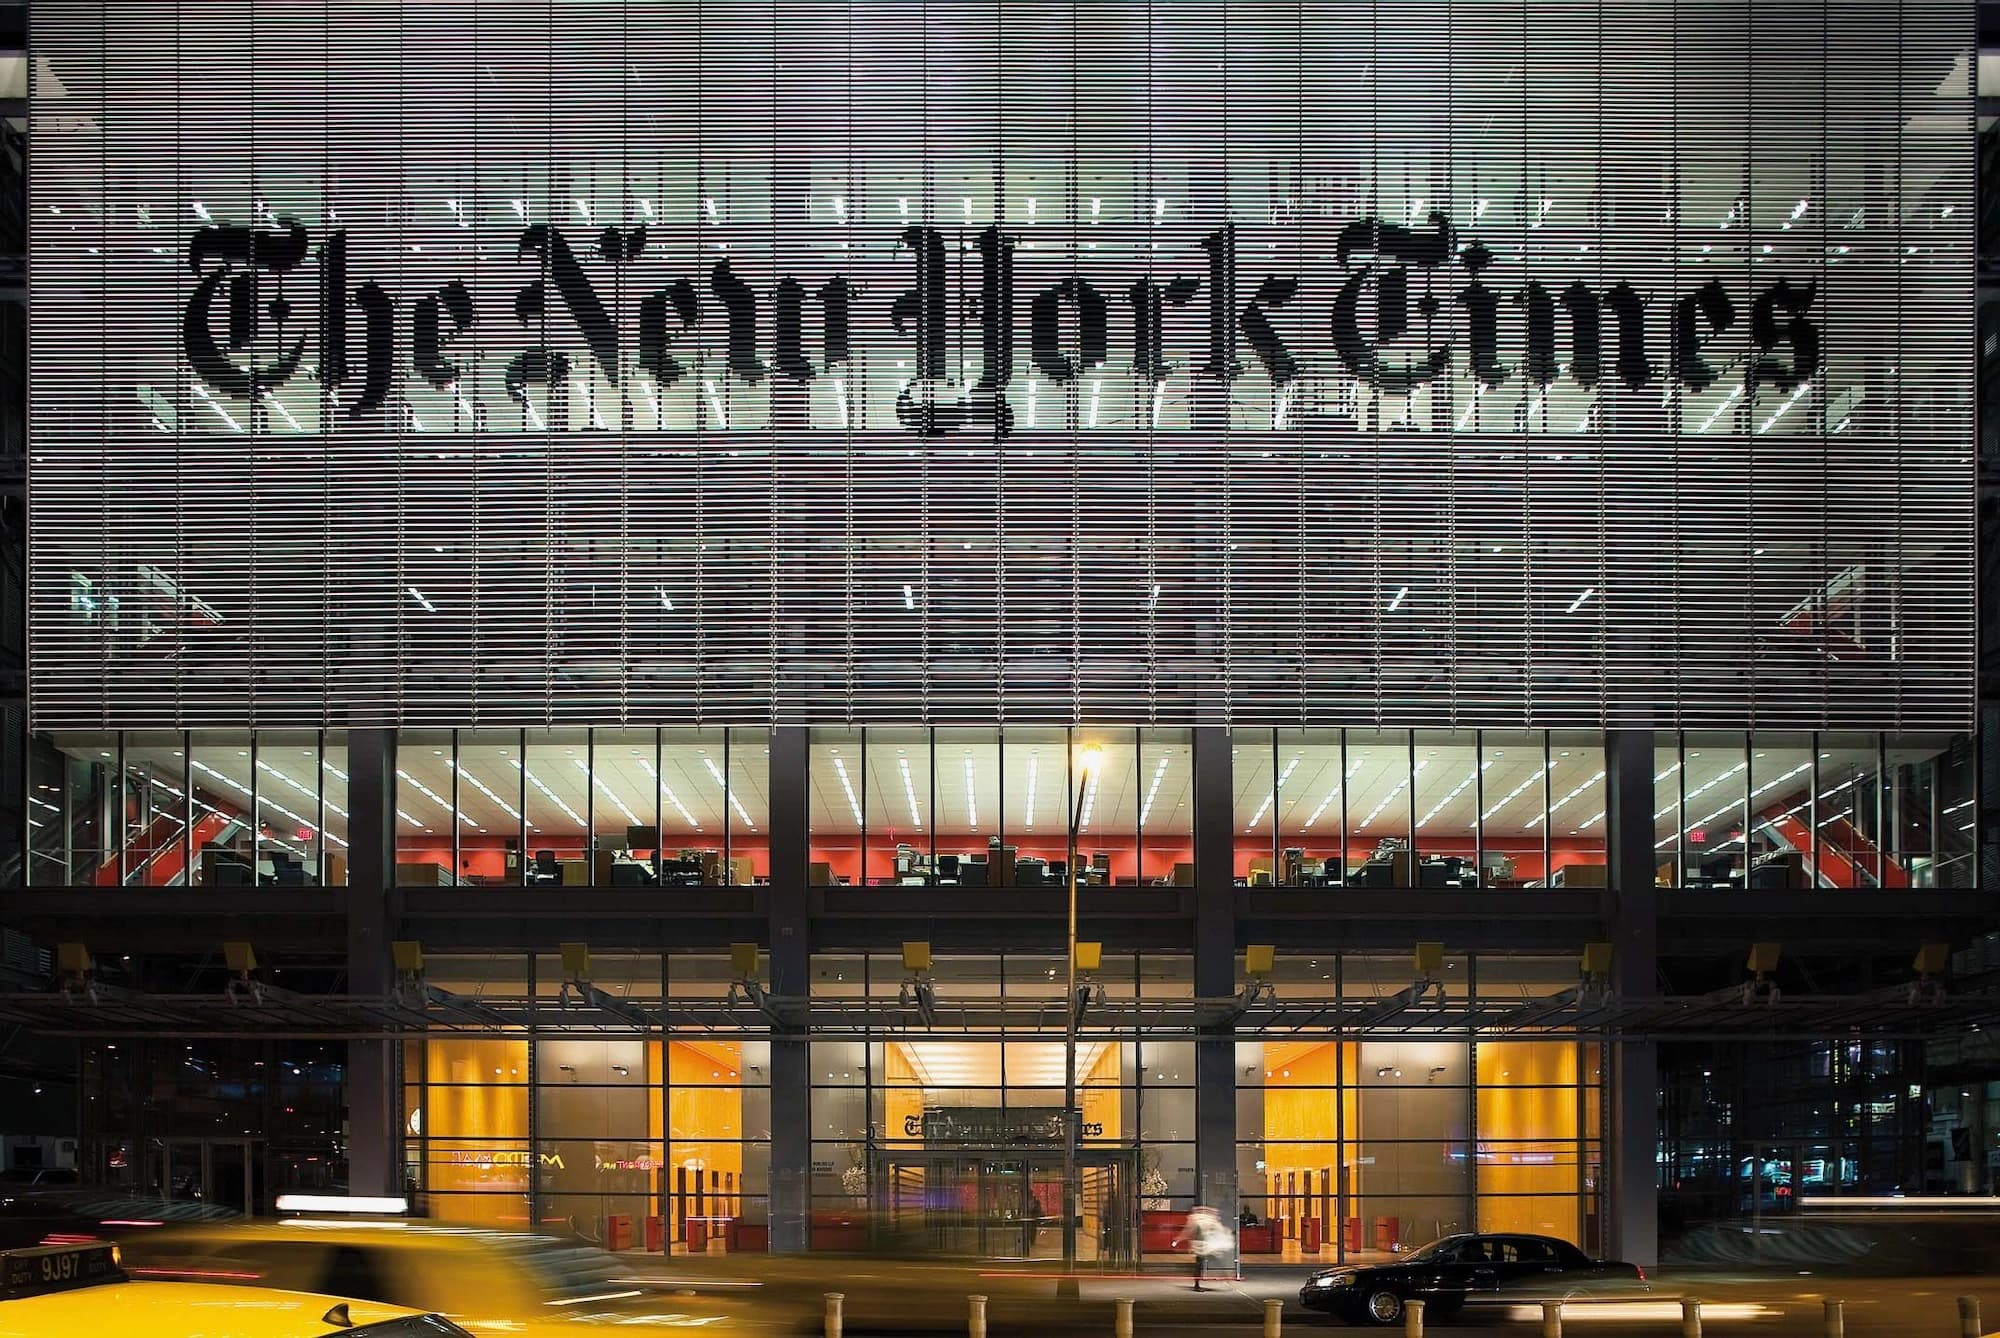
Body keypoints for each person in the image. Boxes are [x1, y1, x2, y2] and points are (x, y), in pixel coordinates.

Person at [1173, 1204, 1233, 1292]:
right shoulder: (1201, 1219)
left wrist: (1178, 1240)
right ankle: (1198, 1284)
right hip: (1202, 1246)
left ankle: (1198, 1284)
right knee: (1206, 1263)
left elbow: (1188, 1231)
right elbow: (1189, 1231)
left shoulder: (1198, 1219)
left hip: (1203, 1246)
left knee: (1202, 1264)